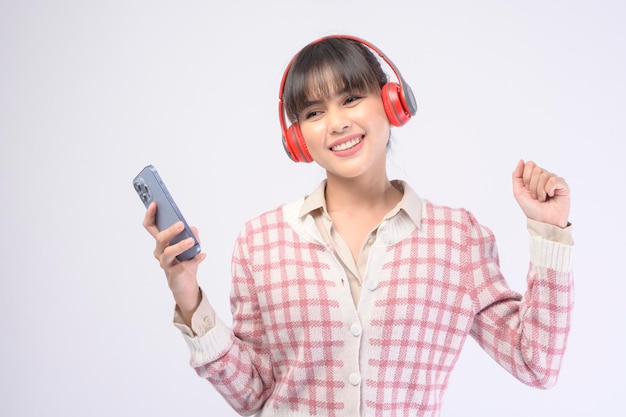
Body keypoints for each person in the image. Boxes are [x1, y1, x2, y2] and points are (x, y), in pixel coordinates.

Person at [142, 35, 574, 417]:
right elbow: (253, 395)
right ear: (298, 139)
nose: (336, 123)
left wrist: (549, 233)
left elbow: (536, 363)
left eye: (350, 99)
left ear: (392, 103)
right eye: (313, 112)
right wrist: (189, 298)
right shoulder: (260, 242)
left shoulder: (457, 240)